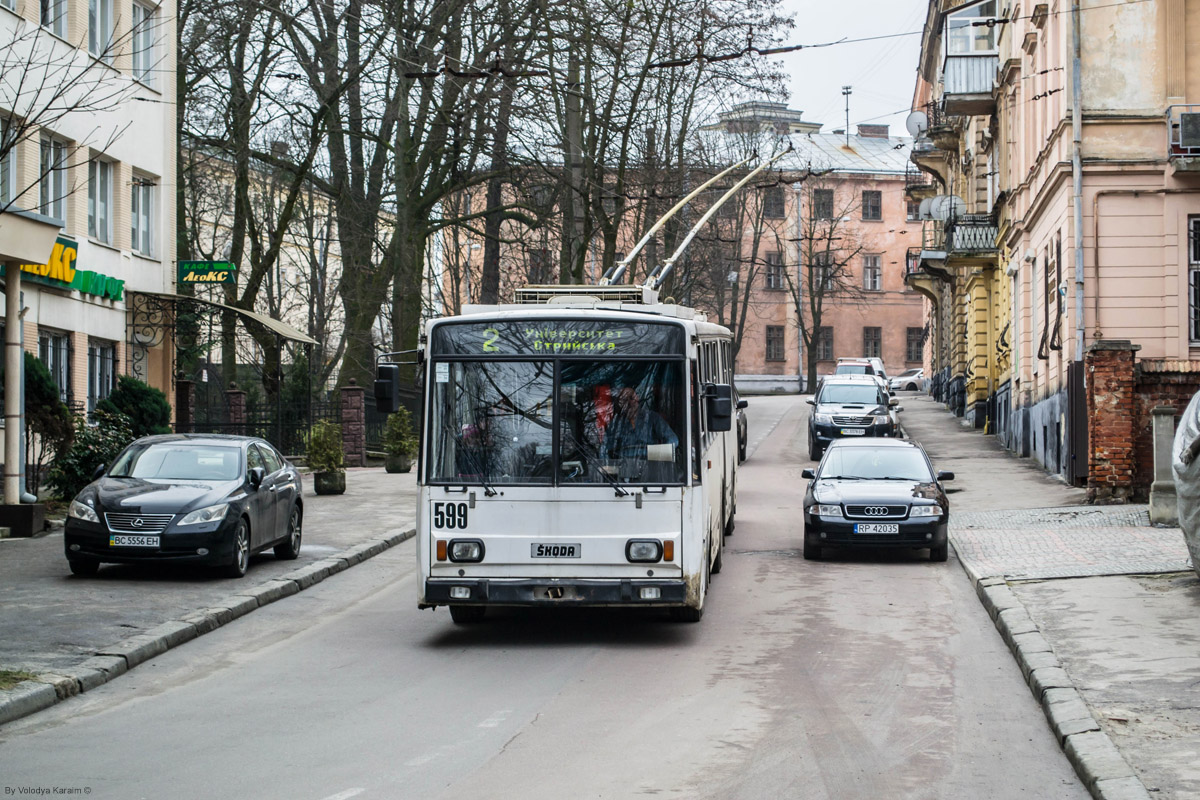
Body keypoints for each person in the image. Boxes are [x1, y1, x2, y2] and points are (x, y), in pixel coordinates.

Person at [603, 385, 678, 460]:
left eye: (631, 398)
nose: (629, 403)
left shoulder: (652, 417)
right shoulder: (615, 424)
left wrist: (655, 454)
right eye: (624, 400)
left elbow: (673, 440)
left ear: (637, 398)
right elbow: (605, 448)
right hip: (623, 467)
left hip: (651, 466)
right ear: (620, 404)